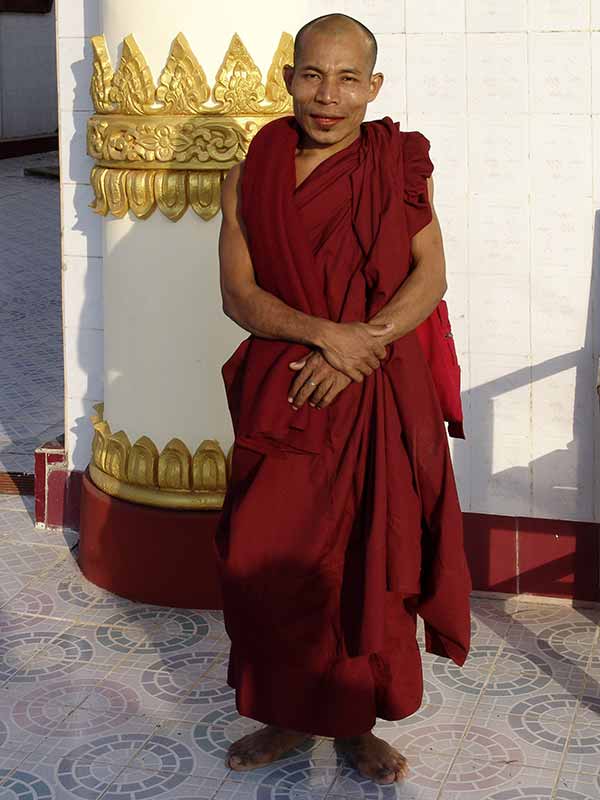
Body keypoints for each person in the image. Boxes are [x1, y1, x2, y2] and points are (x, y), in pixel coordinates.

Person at [215, 12, 471, 786]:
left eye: (348, 78)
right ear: (289, 79)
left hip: (377, 393)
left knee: (373, 555)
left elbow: (431, 275)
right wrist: (329, 336)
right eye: (312, 75)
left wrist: (363, 344)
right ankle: (287, 716)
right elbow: (238, 294)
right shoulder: (252, 169)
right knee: (270, 561)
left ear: (374, 86)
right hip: (287, 390)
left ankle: (359, 725)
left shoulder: (397, 165)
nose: (329, 95)